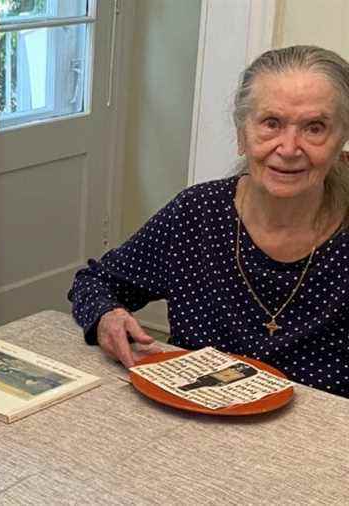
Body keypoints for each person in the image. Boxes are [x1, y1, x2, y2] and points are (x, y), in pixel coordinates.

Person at [69, 45, 349, 398]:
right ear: (241, 133)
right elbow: (94, 282)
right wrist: (107, 316)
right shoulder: (197, 213)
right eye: (271, 123)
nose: (289, 148)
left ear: (341, 139)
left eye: (315, 128)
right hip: (193, 424)